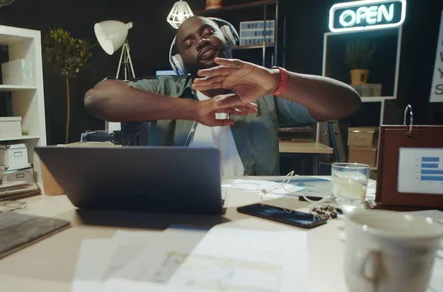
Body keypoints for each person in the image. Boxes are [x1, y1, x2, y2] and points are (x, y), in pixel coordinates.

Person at [84, 16, 361, 176]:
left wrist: (277, 80)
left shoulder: (266, 93)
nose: (201, 41)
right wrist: (192, 110)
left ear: (226, 37)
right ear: (180, 62)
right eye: (189, 43)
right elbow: (97, 98)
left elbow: (347, 103)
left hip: (250, 212)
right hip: (177, 209)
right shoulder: (165, 90)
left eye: (207, 33)